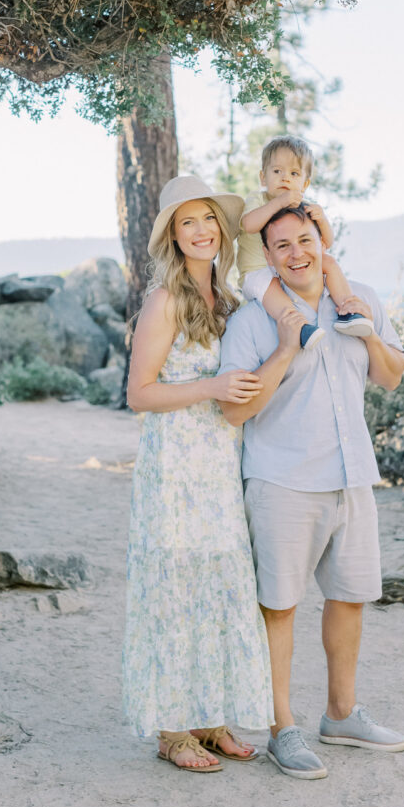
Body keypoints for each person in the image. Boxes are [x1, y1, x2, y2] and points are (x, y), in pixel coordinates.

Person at [219, 201, 404, 780]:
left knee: (349, 597)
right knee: (279, 607)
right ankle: (282, 729)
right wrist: (285, 348)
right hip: (283, 480)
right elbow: (235, 412)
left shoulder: (361, 299)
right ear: (269, 259)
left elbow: (391, 374)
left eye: (306, 239)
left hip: (352, 476)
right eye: (282, 246)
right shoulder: (253, 320)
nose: (297, 252)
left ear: (321, 241)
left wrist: (369, 335)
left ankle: (342, 714)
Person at [123, 175, 274, 773]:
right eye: (188, 223)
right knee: (175, 590)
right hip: (173, 471)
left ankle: (210, 720)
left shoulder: (234, 301)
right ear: (173, 237)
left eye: (209, 219)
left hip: (220, 468)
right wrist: (210, 386)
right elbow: (138, 393)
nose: (203, 230)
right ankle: (172, 730)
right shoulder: (164, 301)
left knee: (220, 587)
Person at [237, 134, 375, 351]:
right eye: (277, 172)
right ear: (263, 178)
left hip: (288, 269)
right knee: (270, 285)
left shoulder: (305, 207)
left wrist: (322, 219)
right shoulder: (258, 199)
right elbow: (248, 225)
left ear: (305, 183)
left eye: (294, 173)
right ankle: (300, 328)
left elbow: (326, 243)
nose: (285, 178)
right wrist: (279, 203)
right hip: (257, 272)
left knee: (328, 262)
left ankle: (349, 310)